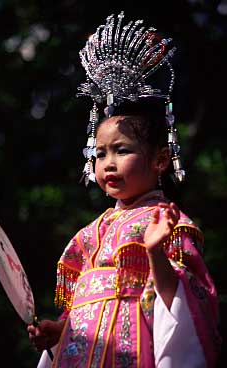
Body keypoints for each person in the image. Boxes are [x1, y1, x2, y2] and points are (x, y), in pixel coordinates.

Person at [27, 11, 221, 367]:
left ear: (160, 160)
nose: (108, 163)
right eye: (100, 153)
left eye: (122, 150)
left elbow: (180, 305)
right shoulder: (90, 233)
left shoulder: (166, 224)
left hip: (130, 352)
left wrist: (156, 253)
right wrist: (61, 331)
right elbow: (85, 309)